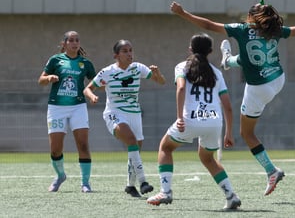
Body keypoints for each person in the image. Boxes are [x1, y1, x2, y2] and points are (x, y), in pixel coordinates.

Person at [170, 0, 295, 195]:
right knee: (248, 57)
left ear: (251, 16)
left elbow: (208, 25)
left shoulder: (242, 29)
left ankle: (271, 171)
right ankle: (228, 61)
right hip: (278, 79)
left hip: (258, 88)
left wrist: (183, 13)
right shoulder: (276, 30)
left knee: (247, 134)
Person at [146, 33, 241, 210]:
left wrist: (180, 118)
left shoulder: (182, 66)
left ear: (190, 49)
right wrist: (229, 133)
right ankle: (231, 195)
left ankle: (165, 192)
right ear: (211, 51)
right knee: (207, 158)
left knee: (166, 147)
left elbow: (181, 88)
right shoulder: (217, 73)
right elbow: (227, 106)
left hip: (191, 120)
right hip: (214, 123)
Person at [83, 39, 166, 197]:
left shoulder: (138, 68)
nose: (129, 54)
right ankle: (143, 182)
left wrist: (158, 74)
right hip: (114, 113)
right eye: (125, 51)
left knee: (134, 150)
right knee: (131, 141)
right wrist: (92, 96)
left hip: (134, 113)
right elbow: (87, 89)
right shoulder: (108, 72)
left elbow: (161, 82)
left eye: (130, 50)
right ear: (116, 55)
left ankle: (130, 186)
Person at [38, 31, 96, 193]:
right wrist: (48, 78)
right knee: (55, 149)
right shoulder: (55, 60)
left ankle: (85, 183)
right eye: (71, 40)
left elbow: (95, 81)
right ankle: (60, 175)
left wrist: (93, 92)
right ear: (64, 43)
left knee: (83, 145)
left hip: (78, 107)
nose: (74, 43)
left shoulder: (85, 63)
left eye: (77, 40)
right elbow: (40, 80)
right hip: (56, 108)